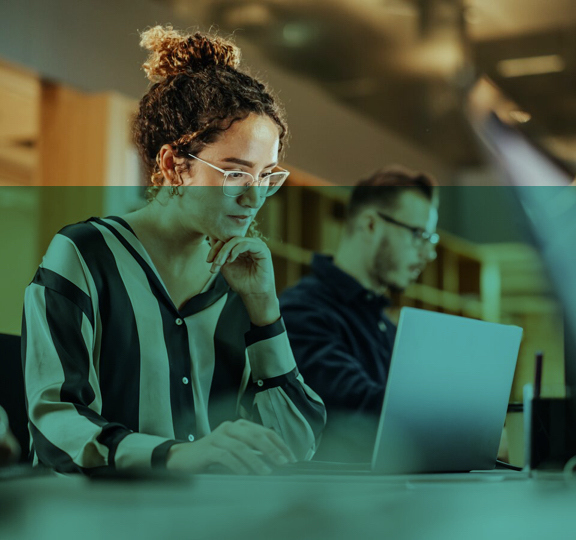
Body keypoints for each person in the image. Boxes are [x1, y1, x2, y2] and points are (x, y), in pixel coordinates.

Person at [22, 25, 325, 476]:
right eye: (236, 174)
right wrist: (174, 456)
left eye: (266, 176)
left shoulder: (240, 278)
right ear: (173, 165)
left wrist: (264, 310)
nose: (255, 197)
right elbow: (56, 426)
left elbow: (296, 445)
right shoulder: (84, 255)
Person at [280, 167, 438, 460]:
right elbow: (356, 407)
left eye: (431, 240)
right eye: (419, 235)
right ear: (370, 225)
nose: (427, 254)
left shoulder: (387, 329)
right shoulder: (301, 311)